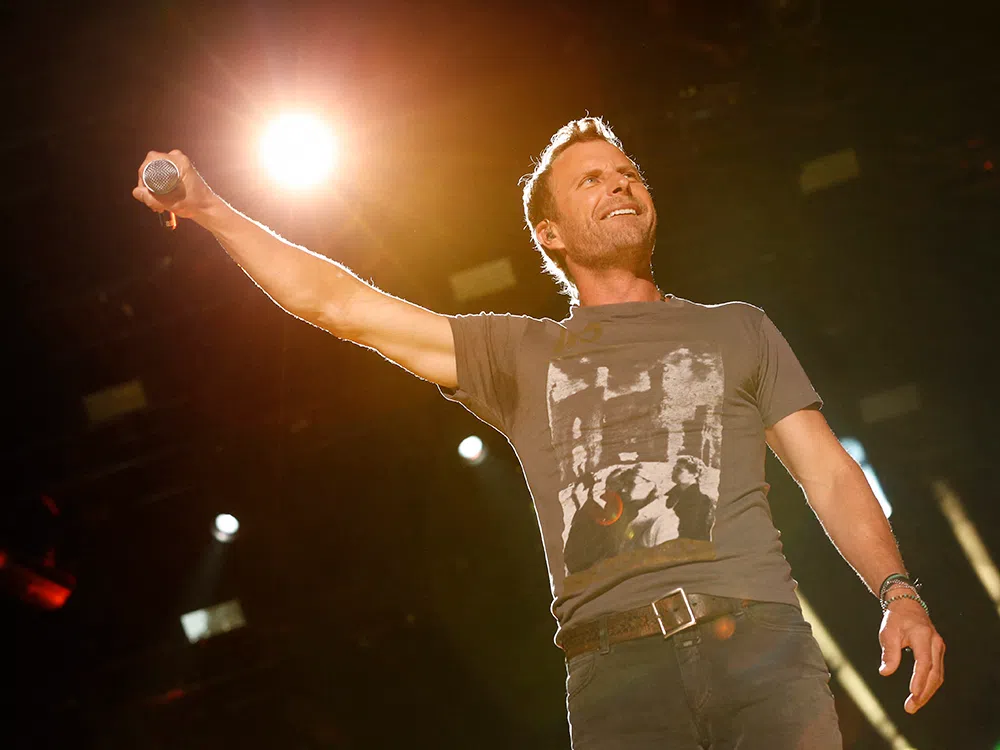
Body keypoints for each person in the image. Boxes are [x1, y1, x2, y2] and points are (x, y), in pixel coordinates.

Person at [133, 117, 945, 748]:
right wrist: (209, 209)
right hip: (617, 672)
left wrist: (898, 592)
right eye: (592, 179)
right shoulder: (518, 354)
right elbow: (339, 304)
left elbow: (828, 472)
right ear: (549, 233)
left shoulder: (739, 328)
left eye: (629, 173)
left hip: (760, 648)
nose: (620, 183)